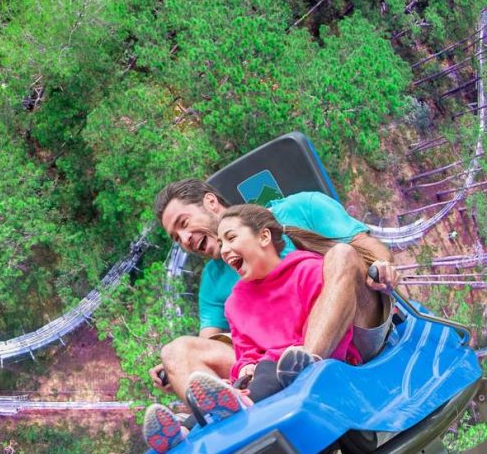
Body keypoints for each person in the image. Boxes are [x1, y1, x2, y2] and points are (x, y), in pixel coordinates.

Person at [144, 204, 377, 452]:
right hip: (264, 379)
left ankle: (226, 410)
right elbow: (245, 351)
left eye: (231, 238)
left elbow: (329, 324)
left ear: (263, 236)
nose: (224, 250)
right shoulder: (236, 303)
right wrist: (246, 367)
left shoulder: (306, 271)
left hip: (306, 367)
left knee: (268, 371)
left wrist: (284, 360)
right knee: (250, 379)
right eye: (221, 243)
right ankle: (186, 430)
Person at [149, 179, 397, 402]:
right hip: (275, 360)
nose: (184, 239)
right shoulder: (216, 285)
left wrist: (381, 268)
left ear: (210, 202)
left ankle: (306, 365)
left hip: (350, 334)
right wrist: (180, 371)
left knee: (342, 255)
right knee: (176, 352)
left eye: (184, 224)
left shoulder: (301, 210)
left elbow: (371, 252)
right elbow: (214, 345)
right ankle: (211, 415)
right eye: (176, 238)